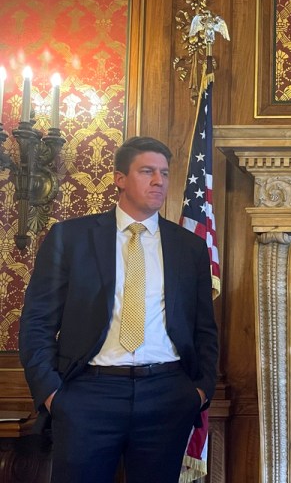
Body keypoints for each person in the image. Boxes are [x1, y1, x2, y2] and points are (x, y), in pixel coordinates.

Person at [19, 136, 219, 482]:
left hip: (167, 396)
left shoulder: (189, 247)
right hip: (88, 396)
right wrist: (52, 395)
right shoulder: (71, 238)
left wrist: (198, 391)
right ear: (120, 179)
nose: (159, 181)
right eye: (147, 171)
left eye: (164, 173)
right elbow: (37, 321)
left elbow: (205, 330)